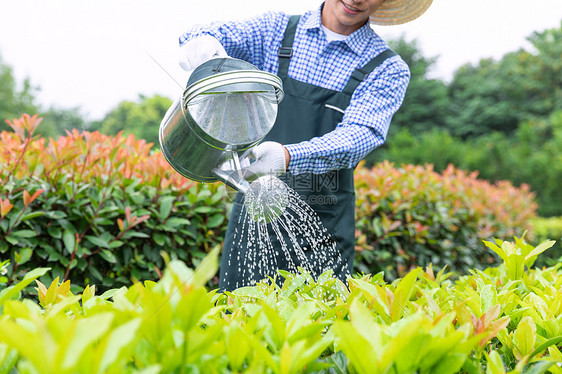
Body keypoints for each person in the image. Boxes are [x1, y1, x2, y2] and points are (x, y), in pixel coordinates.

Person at [178, 0, 433, 291]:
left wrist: (287, 156)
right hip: (254, 211)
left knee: (316, 325)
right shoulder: (276, 31)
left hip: (323, 228)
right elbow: (211, 32)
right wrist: (203, 43)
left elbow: (359, 135)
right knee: (238, 320)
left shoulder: (386, 68)